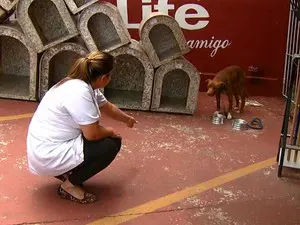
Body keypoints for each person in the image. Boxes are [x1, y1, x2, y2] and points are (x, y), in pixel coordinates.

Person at [26, 51, 137, 204]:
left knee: (103, 139)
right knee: (110, 145)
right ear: (105, 78)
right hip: (47, 153)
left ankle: (67, 173)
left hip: (45, 146)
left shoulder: (80, 84)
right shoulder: (80, 92)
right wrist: (111, 131)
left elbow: (107, 107)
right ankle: (69, 186)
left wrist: (127, 120)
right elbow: (92, 134)